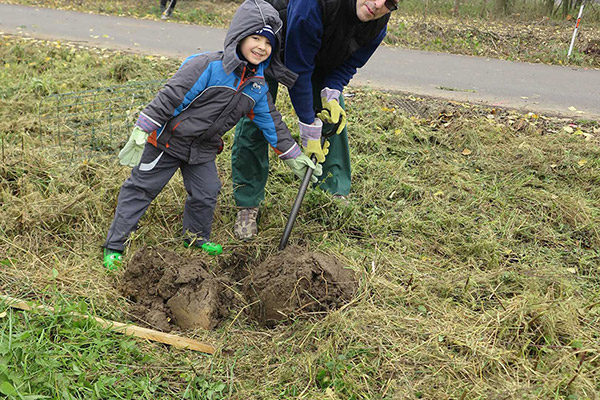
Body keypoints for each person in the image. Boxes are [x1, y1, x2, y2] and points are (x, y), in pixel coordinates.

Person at [102, 0, 322, 270]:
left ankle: (195, 239)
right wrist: (143, 128)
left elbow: (272, 124)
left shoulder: (257, 86)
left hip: (203, 149)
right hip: (168, 142)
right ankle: (115, 245)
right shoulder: (208, 66)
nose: (262, 47)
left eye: (269, 43)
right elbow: (171, 96)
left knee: (206, 193)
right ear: (239, 36)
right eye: (255, 38)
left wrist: (294, 156)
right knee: (141, 189)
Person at [231, 0, 395, 239]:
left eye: (390, 2)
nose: (379, 4)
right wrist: (308, 125)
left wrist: (332, 91)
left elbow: (350, 63)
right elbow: (298, 68)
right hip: (270, 35)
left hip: (317, 42)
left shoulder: (378, 22)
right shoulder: (314, 4)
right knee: (256, 114)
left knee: (333, 117)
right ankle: (247, 202)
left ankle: (333, 191)